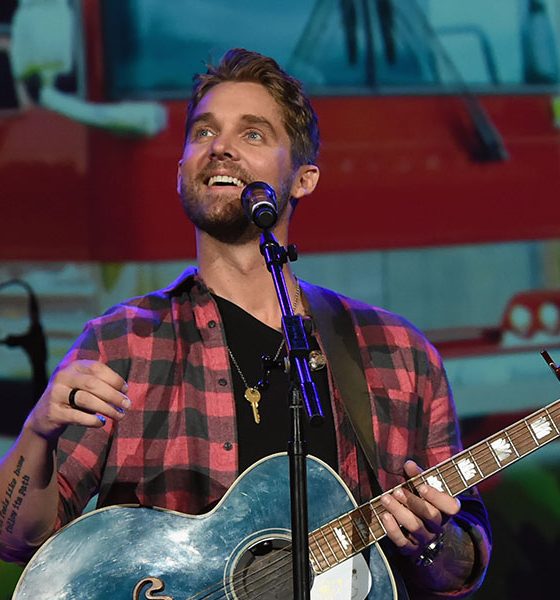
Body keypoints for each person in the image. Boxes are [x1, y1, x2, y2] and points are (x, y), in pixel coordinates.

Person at [0, 48, 491, 598]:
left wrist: (430, 540)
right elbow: (17, 541)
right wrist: (39, 430)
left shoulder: (398, 352)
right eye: (204, 132)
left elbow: (462, 567)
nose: (221, 147)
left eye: (253, 134)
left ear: (303, 180)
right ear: (181, 170)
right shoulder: (124, 342)